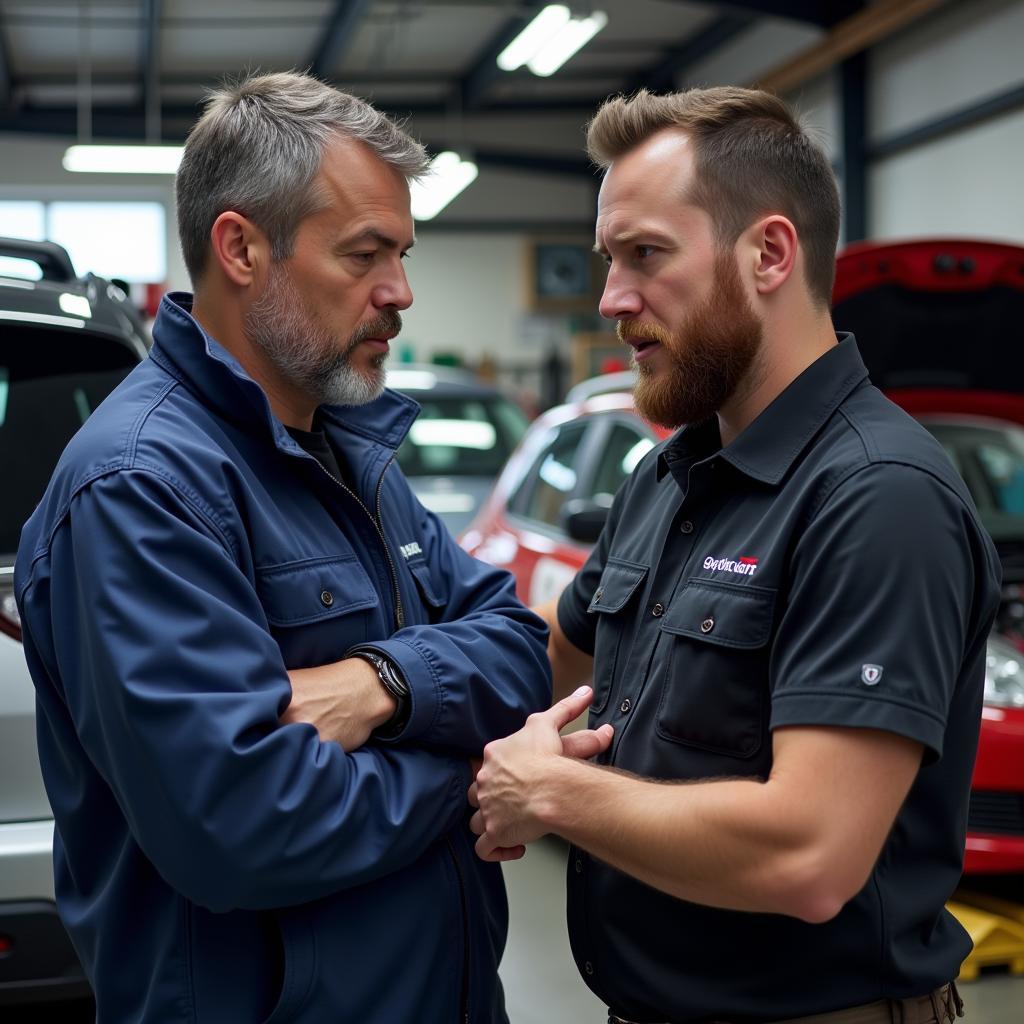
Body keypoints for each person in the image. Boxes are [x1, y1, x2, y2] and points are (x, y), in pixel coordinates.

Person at [15, 71, 553, 1023]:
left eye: (404, 253)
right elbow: (242, 824)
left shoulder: (348, 452)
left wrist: (383, 683)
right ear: (242, 248)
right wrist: (481, 771)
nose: (401, 292)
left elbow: (515, 642)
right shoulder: (144, 487)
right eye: (365, 255)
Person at [470, 87, 1001, 1024]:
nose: (611, 299)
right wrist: (384, 682)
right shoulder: (672, 477)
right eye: (607, 260)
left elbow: (809, 856)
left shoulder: (878, 497)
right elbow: (555, 653)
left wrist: (554, 793)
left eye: (646, 255)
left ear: (768, 253)